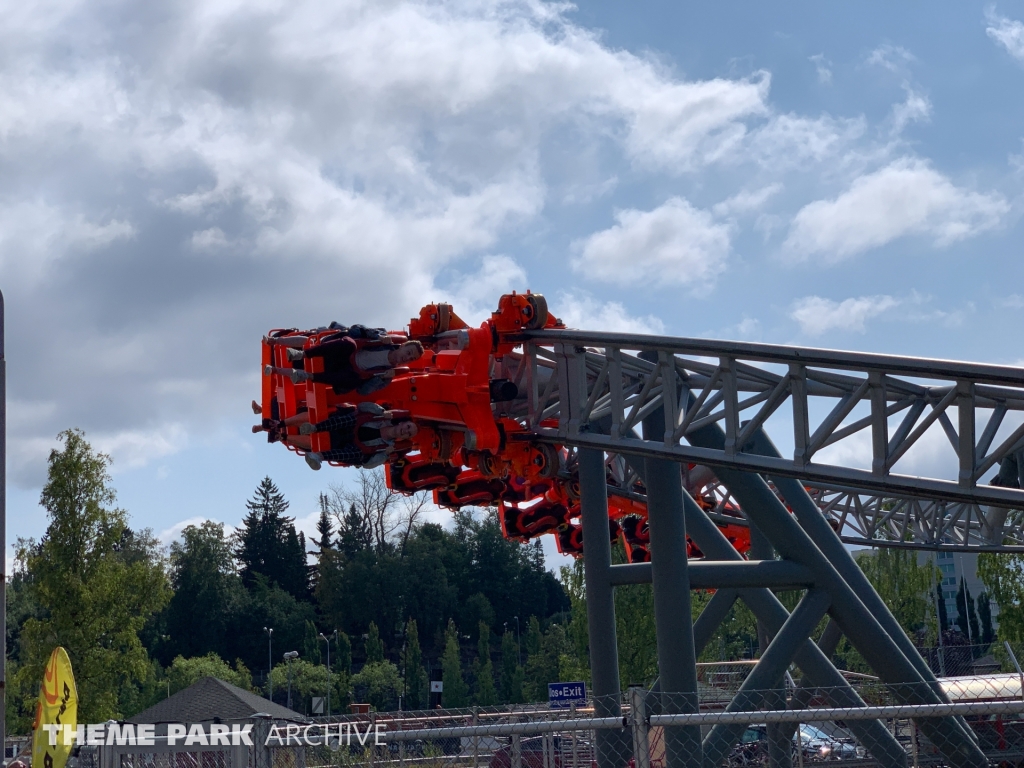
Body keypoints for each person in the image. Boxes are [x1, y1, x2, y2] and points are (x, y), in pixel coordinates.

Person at [283, 402, 418, 470]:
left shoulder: (386, 448)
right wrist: (382, 412)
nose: (406, 431)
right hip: (345, 425)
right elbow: (362, 406)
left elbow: (367, 465)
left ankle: (318, 456)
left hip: (347, 445)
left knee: (356, 455)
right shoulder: (381, 416)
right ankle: (314, 427)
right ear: (402, 422)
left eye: (409, 433)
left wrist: (384, 456)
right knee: (351, 419)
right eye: (407, 427)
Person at [264, 339, 423, 395]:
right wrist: (378, 337)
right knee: (348, 344)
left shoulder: (387, 377)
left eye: (411, 358)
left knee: (352, 381)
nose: (407, 357)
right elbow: (357, 330)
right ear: (402, 346)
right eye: (408, 352)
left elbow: (363, 391)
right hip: (347, 353)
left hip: (349, 371)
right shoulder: (384, 341)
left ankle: (308, 376)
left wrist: (381, 377)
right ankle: (302, 354)